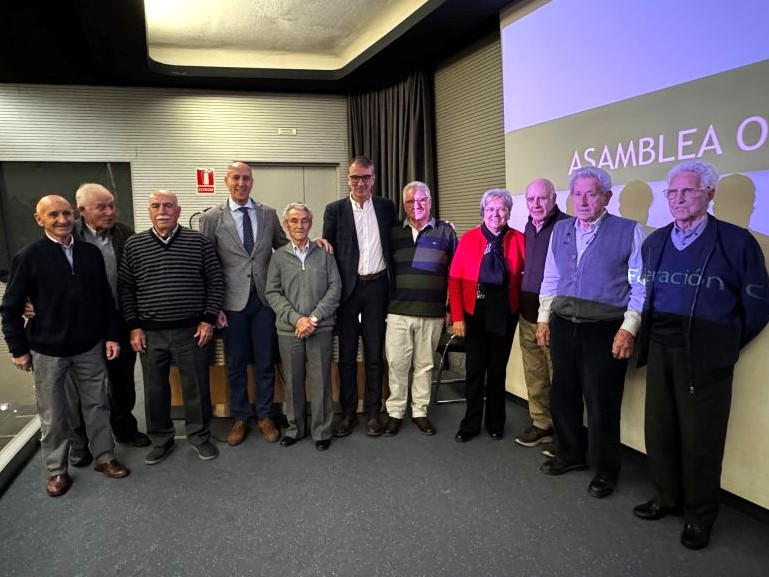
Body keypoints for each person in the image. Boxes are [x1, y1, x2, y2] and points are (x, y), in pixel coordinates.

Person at [634, 161, 769, 550]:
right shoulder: (655, 242)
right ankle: (665, 497)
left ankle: (699, 515)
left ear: (710, 194)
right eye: (672, 192)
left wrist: (724, 342)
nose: (678, 199)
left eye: (688, 191)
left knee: (701, 439)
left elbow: (758, 305)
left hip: (706, 356)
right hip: (661, 348)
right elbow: (640, 291)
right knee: (660, 429)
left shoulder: (737, 241)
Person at [1, 195, 130, 497]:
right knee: (54, 413)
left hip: (89, 345)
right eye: (53, 215)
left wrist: (111, 335)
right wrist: (18, 348)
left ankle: (104, 457)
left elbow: (104, 301)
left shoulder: (89, 253)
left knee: (98, 404)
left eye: (66, 214)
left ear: (75, 216)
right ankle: (57, 470)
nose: (61, 220)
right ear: (39, 219)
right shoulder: (29, 256)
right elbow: (10, 307)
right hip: (47, 349)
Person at [536, 166, 646, 499]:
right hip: (564, 323)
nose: (583, 200)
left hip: (605, 328)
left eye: (591, 193)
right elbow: (551, 278)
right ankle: (570, 455)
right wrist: (544, 318)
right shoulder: (561, 230)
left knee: (602, 403)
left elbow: (641, 286)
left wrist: (629, 328)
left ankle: (605, 470)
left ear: (606, 197)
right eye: (578, 193)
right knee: (563, 394)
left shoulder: (629, 231)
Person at [118, 190, 225, 464]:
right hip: (150, 333)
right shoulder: (134, 245)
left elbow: (215, 281)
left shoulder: (198, 242)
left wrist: (208, 319)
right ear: (149, 211)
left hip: (192, 331)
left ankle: (200, 437)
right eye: (156, 206)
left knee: (196, 387)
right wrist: (133, 327)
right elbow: (126, 289)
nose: (162, 210)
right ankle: (161, 439)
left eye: (168, 206)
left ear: (178, 211)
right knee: (154, 389)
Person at [199, 161, 288, 446]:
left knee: (264, 362)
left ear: (252, 181)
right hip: (230, 306)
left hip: (264, 301)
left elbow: (285, 247)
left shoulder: (268, 213)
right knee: (236, 364)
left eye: (246, 178)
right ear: (226, 180)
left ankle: (264, 415)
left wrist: (314, 245)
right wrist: (214, 309)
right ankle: (240, 417)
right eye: (235, 178)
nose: (241, 183)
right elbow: (206, 264)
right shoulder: (212, 217)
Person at [67, 183, 150, 468]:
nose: (110, 212)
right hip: (82, 323)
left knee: (122, 381)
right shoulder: (70, 236)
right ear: (82, 211)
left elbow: (137, 275)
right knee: (82, 386)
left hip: (119, 317)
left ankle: (124, 429)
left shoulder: (124, 233)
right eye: (101, 207)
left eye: (112, 205)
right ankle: (81, 443)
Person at [322, 156, 398, 437]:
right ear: (348, 180)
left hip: (377, 288)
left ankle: (375, 412)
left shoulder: (386, 208)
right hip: (347, 291)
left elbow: (402, 239)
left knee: (375, 354)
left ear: (373, 178)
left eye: (365, 177)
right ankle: (349, 413)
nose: (361, 183)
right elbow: (327, 247)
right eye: (355, 178)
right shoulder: (335, 210)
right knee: (347, 356)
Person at [448, 189, 524, 442]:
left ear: (509, 212)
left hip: (505, 313)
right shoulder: (469, 239)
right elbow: (455, 280)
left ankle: (495, 422)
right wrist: (457, 316)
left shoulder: (518, 240)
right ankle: (470, 423)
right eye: (490, 209)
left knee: (498, 369)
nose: (496, 214)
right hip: (474, 312)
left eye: (501, 209)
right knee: (474, 369)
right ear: (482, 212)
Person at [383, 181, 457, 436]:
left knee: (425, 365)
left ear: (430, 201)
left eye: (422, 200)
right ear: (403, 205)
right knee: (397, 364)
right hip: (397, 311)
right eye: (410, 202)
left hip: (432, 312)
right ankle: (395, 412)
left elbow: (455, 274)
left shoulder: (446, 232)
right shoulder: (392, 233)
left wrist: (450, 308)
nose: (416, 206)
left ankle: (420, 412)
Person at [265, 202, 341, 451]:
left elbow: (335, 288)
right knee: (294, 381)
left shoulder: (325, 253)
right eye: (294, 221)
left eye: (305, 221)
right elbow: (272, 293)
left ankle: (321, 431)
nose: (300, 225)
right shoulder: (278, 258)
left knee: (320, 381)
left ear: (311, 223)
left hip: (320, 328)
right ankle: (295, 428)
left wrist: (314, 318)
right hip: (289, 330)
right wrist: (296, 319)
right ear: (286, 225)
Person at [514, 178, 568, 449]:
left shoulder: (566, 226)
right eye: (531, 199)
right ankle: (541, 424)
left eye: (541, 198)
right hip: (527, 313)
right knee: (535, 374)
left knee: (558, 376)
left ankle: (564, 432)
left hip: (555, 316)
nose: (536, 204)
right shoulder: (528, 227)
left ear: (553, 199)